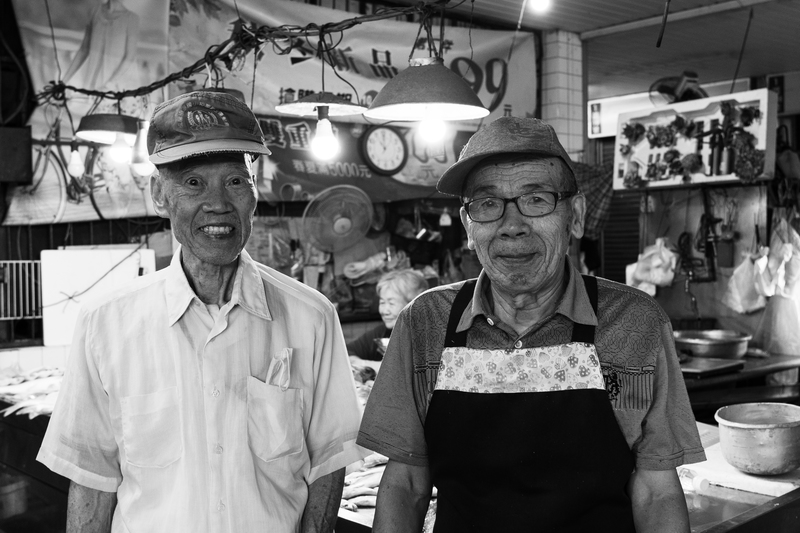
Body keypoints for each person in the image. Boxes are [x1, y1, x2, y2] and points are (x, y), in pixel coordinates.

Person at [357, 117, 706, 532]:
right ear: (469, 226)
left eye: (536, 199)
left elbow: (657, 491)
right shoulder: (425, 322)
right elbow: (406, 484)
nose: (512, 225)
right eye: (488, 204)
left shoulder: (636, 323)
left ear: (574, 217)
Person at [37, 90, 364, 533]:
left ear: (253, 191)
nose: (218, 204)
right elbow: (93, 481)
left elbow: (328, 465)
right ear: (159, 194)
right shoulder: (106, 324)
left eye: (234, 181)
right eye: (193, 183)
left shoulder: (312, 317)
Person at [347, 269, 429, 361]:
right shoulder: (383, 332)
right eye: (382, 302)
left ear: (414, 305)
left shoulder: (431, 336)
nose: (385, 311)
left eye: (391, 303)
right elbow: (346, 352)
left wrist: (364, 365)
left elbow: (408, 371)